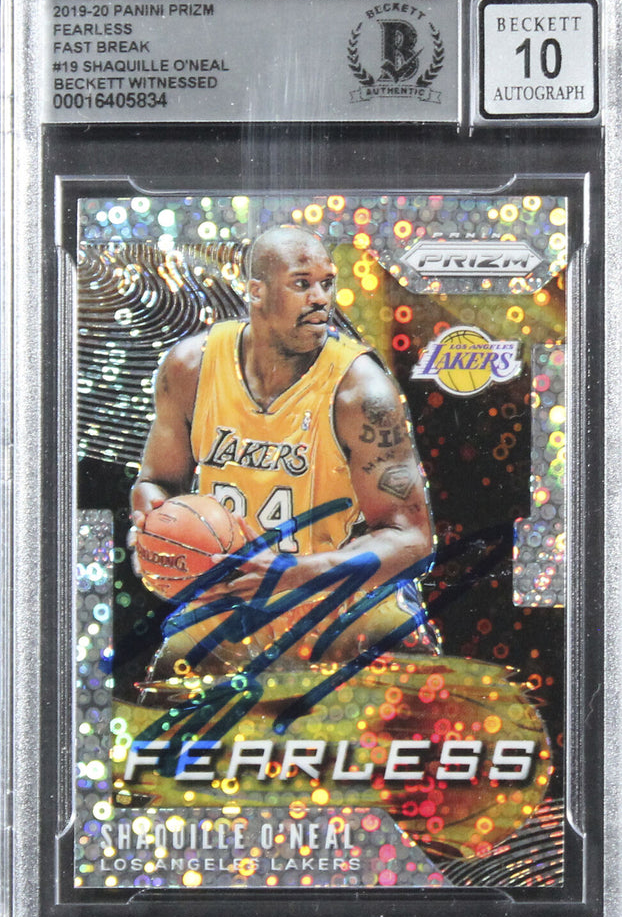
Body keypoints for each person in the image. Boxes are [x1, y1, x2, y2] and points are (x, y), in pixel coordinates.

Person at [130, 226, 439, 705]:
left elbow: (413, 540)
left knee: (417, 721)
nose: (320, 299)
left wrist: (290, 573)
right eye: (302, 284)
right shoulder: (190, 367)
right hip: (232, 597)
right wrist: (154, 523)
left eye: (327, 283)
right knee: (156, 723)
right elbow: (156, 482)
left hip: (342, 599)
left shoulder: (361, 389)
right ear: (256, 290)